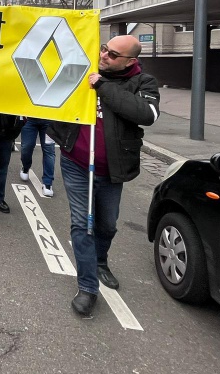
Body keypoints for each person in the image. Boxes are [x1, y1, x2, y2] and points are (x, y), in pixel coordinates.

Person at [48, 35, 160, 317]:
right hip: (76, 163)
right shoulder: (84, 69)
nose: (104, 55)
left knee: (107, 225)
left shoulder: (142, 83)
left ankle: (100, 261)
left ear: (130, 61)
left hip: (113, 170)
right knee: (82, 224)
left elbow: (145, 114)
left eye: (112, 54)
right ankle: (87, 287)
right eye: (103, 48)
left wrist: (102, 85)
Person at [20, 117, 56, 197]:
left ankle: (48, 183)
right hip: (30, 118)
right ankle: (25, 167)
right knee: (26, 147)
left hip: (49, 120)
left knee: (49, 151)